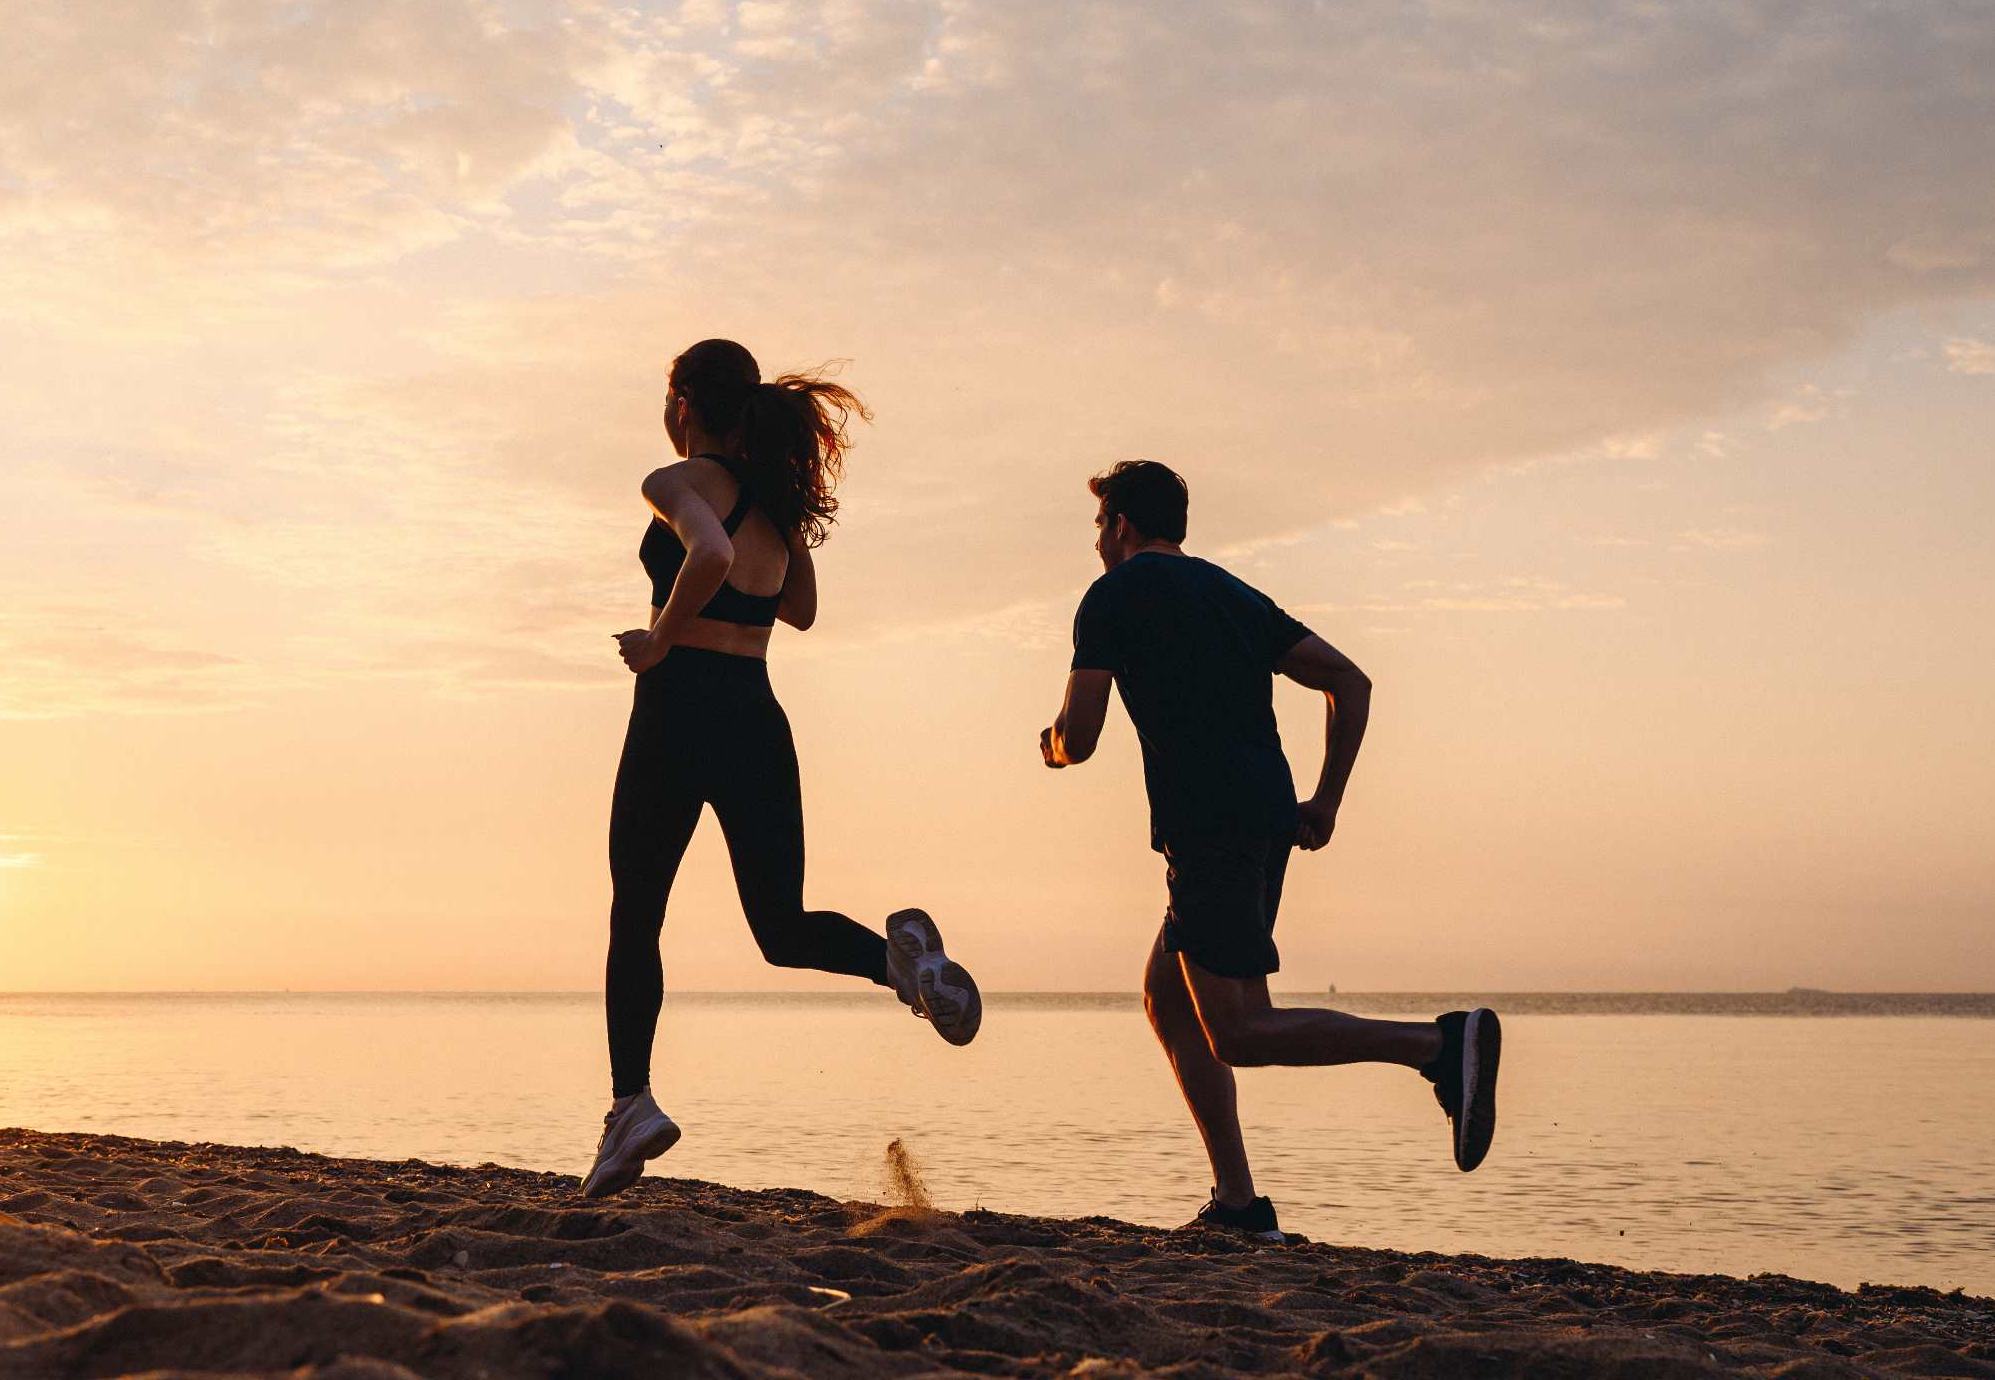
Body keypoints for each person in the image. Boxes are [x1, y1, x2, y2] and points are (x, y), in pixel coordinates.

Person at [1038, 459, 1501, 1242]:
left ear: (1119, 524)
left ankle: (1436, 1044)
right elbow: (1350, 683)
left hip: (1209, 825)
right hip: (1261, 816)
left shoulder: (1112, 596)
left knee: (1239, 1031)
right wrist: (1325, 801)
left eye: (1099, 527)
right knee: (1168, 999)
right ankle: (1239, 1206)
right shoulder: (1233, 596)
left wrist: (1048, 745)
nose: (1096, 544)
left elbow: (1078, 739)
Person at [585, 338, 983, 1200]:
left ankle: (631, 1104)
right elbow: (798, 609)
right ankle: (901, 968)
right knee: (780, 925)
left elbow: (713, 557)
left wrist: (658, 638)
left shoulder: (675, 483)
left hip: (677, 710)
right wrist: (778, 536)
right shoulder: (775, 502)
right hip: (756, 717)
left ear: (685, 402)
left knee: (636, 913)